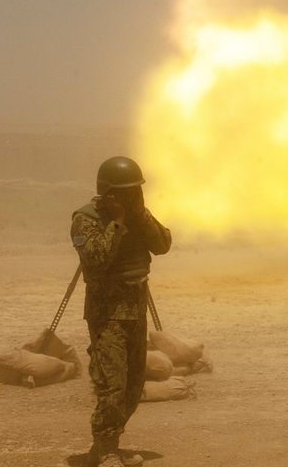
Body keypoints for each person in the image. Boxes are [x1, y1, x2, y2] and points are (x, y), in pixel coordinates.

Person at [72, 157, 172, 467]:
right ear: (107, 192)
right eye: (124, 192)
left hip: (135, 309)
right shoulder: (86, 219)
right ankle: (105, 449)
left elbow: (163, 244)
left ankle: (107, 443)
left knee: (133, 385)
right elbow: (97, 258)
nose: (130, 197)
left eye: (134, 192)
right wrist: (116, 222)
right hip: (107, 313)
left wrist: (140, 216)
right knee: (111, 384)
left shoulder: (137, 216)